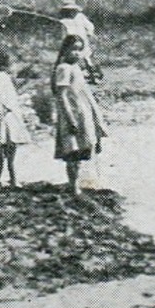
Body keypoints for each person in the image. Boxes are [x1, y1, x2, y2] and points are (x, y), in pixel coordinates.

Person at [52, 35, 106, 196]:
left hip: (82, 112)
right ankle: (73, 185)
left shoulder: (76, 68)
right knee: (71, 150)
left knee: (82, 147)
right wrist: (70, 118)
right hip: (72, 113)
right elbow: (61, 95)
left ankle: (80, 183)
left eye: (79, 50)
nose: (76, 53)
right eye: (73, 49)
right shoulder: (63, 68)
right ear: (65, 50)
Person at [0, 50, 30, 187]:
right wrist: (2, 111)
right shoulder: (2, 77)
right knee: (10, 151)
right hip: (8, 117)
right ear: (6, 64)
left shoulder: (1, 76)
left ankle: (1, 178)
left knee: (4, 152)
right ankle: (12, 179)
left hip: (8, 115)